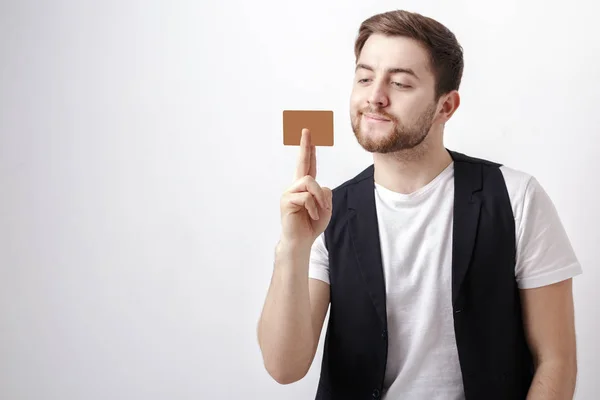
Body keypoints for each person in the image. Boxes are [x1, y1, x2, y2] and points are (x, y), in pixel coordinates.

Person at [257, 9, 582, 400]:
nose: (375, 97)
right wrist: (293, 247)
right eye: (364, 78)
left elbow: (556, 360)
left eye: (399, 83)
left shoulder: (516, 198)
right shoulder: (327, 211)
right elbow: (284, 367)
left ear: (446, 106)